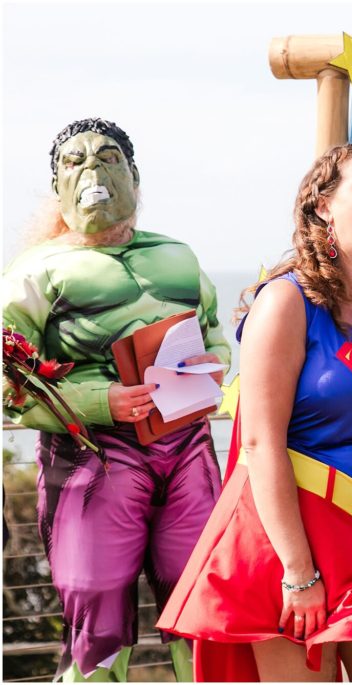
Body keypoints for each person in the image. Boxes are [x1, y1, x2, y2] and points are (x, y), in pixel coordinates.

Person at [157, 143, 352, 681]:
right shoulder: (283, 302)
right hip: (288, 545)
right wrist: (300, 573)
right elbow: (259, 443)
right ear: (323, 204)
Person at [2, 118, 229, 681]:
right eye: (73, 163)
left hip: (186, 450)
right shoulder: (36, 271)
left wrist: (215, 364)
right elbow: (7, 379)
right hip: (93, 459)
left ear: (134, 175)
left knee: (204, 605)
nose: (91, 171)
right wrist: (100, 399)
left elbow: (215, 330)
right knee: (96, 617)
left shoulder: (178, 254)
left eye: (107, 158)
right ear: (57, 189)